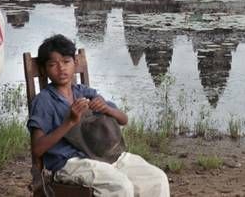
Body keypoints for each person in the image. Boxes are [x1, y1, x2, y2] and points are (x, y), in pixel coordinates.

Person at [28, 34, 170, 197]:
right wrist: (69, 122)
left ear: (75, 63)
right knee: (120, 186)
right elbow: (37, 149)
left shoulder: (84, 92)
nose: (61, 69)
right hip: (69, 163)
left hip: (102, 155)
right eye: (53, 64)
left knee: (156, 178)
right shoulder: (44, 101)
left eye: (66, 62)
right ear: (44, 69)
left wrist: (107, 109)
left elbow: (124, 119)